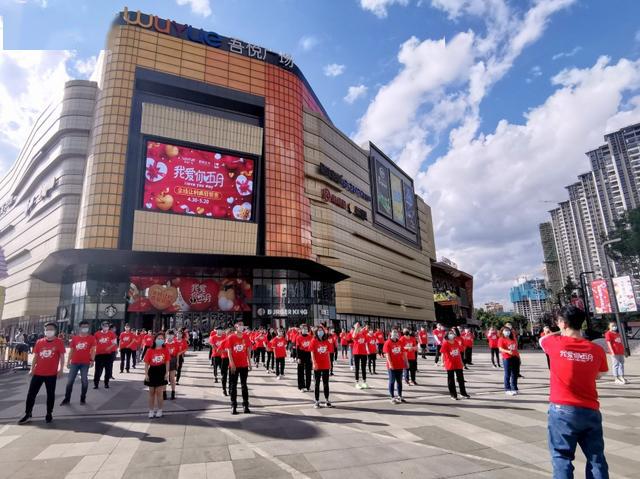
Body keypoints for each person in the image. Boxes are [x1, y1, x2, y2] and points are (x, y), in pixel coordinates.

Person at [540, 306, 609, 479]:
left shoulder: (554, 343)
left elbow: (543, 339)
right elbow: (599, 374)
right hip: (590, 410)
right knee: (596, 458)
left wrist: (557, 331)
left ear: (563, 323)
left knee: (561, 457)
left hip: (562, 410)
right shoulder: (596, 350)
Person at [18, 323, 65, 424]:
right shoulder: (39, 342)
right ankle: (28, 413)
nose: (49, 331)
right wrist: (32, 369)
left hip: (51, 374)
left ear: (55, 331)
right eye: (47, 329)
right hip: (38, 373)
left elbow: (61, 357)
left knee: (50, 395)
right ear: (44, 331)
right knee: (31, 394)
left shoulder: (59, 342)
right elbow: (35, 357)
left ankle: (49, 413)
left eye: (51, 329)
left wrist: (61, 370)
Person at [61, 320, 96, 406]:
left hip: (85, 363)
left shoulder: (91, 338)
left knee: (84, 381)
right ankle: (67, 398)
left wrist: (92, 360)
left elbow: (93, 350)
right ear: (80, 328)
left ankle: (83, 398)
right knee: (70, 381)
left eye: (86, 327)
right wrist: (68, 361)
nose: (85, 329)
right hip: (74, 363)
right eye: (83, 327)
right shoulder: (75, 338)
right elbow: (71, 351)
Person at [224, 321, 252, 414]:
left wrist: (250, 363)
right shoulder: (231, 337)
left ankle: (245, 405)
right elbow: (229, 351)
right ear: (236, 327)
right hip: (234, 365)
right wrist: (232, 364)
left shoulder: (245, 336)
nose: (241, 327)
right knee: (233, 386)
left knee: (244, 385)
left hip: (244, 365)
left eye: (242, 325)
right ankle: (233, 406)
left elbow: (248, 350)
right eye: (239, 325)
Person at [143, 332, 170, 418]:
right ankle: (151, 410)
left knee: (159, 392)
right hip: (152, 371)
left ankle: (160, 410)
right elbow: (146, 363)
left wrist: (167, 373)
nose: (160, 340)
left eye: (162, 339)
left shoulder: (165, 350)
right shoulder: (150, 350)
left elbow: (167, 362)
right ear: (155, 340)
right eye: (158, 338)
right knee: (151, 392)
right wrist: (146, 374)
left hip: (161, 371)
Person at [440, 328, 470, 400]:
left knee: (461, 379)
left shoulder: (456, 342)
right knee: (451, 379)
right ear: (447, 335)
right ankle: (453, 395)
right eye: (450, 333)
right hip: (449, 363)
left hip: (458, 363)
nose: (451, 334)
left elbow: (459, 353)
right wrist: (442, 362)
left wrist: (462, 362)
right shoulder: (445, 343)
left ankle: (463, 393)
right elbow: (442, 354)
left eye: (452, 333)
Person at [310, 326, 333, 408]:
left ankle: (327, 400)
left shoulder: (326, 341)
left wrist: (330, 363)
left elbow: (329, 353)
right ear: (316, 332)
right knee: (317, 383)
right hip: (317, 365)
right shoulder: (313, 340)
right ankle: (317, 401)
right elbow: (312, 352)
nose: (320, 332)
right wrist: (314, 363)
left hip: (326, 364)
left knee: (326, 383)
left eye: (321, 330)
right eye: (319, 330)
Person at [383, 329, 407, 404]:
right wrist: (390, 364)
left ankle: (400, 396)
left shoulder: (400, 342)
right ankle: (392, 397)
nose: (395, 334)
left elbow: (403, 352)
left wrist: (406, 362)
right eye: (394, 332)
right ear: (391, 333)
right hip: (392, 366)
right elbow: (387, 355)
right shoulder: (387, 343)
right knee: (392, 381)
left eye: (396, 332)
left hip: (399, 365)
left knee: (399, 381)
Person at [94, 321, 117, 389]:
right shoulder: (97, 334)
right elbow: (94, 343)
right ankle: (96, 384)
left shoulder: (111, 334)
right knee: (98, 370)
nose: (106, 327)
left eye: (107, 326)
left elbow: (114, 343)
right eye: (104, 325)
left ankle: (106, 383)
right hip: (99, 354)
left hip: (108, 355)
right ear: (102, 326)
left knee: (108, 369)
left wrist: (109, 347)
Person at [498, 326, 520, 396]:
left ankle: (514, 388)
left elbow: (516, 348)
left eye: (508, 330)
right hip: (507, 358)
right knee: (507, 374)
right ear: (502, 331)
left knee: (515, 374)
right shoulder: (501, 339)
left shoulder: (513, 338)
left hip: (515, 357)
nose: (507, 332)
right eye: (505, 330)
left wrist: (518, 357)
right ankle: (507, 389)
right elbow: (500, 348)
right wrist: (507, 351)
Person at [351, 322, 369, 389]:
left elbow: (366, 341)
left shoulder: (364, 334)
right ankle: (357, 383)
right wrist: (356, 328)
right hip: (356, 353)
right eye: (358, 327)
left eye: (360, 327)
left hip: (364, 353)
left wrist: (365, 329)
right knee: (357, 368)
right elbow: (353, 336)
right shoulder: (355, 334)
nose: (359, 328)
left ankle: (364, 382)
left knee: (363, 368)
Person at [295, 324, 313, 392]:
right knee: (300, 371)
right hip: (301, 354)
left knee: (308, 371)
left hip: (308, 354)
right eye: (303, 329)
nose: (305, 330)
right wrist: (298, 357)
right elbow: (297, 348)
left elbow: (312, 348)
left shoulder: (310, 337)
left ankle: (308, 386)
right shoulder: (298, 337)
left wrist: (312, 357)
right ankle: (301, 386)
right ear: (301, 330)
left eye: (306, 329)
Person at [164, 329, 181, 400]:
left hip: (173, 360)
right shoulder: (163, 344)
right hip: (165, 361)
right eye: (168, 335)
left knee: (172, 378)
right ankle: (164, 393)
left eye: (171, 335)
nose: (170, 336)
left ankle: (173, 392)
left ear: (173, 335)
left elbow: (177, 353)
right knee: (164, 377)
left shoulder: (176, 343)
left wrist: (177, 362)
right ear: (166, 335)